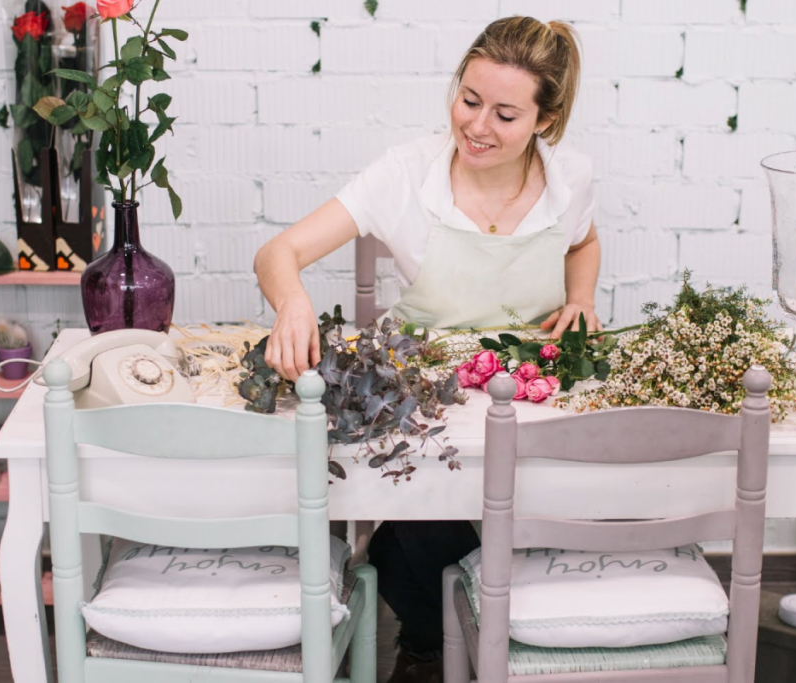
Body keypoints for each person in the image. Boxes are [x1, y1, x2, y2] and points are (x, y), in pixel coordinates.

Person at [254, 16, 600, 683]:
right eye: (469, 100)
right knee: (411, 524)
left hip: (530, 392)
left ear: (545, 122)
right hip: (426, 394)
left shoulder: (570, 176)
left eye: (504, 113)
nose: (476, 125)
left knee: (522, 516)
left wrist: (581, 297)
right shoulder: (406, 173)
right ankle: (439, 642)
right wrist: (292, 300)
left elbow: (584, 239)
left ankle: (478, 639)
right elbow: (280, 251)